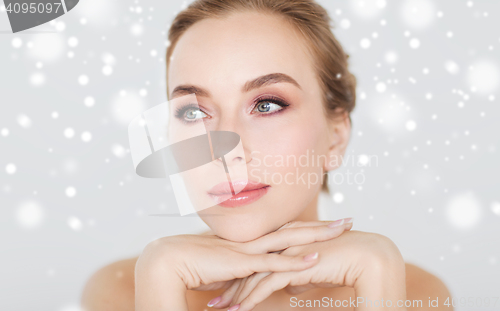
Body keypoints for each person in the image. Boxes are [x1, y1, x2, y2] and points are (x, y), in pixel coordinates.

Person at [82, 0, 453, 310]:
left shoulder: (416, 296)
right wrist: (160, 288)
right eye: (193, 112)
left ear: (336, 136)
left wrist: (380, 281)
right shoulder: (124, 294)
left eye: (267, 105)